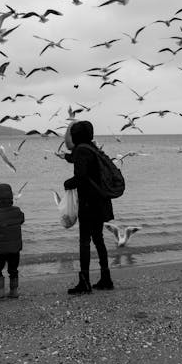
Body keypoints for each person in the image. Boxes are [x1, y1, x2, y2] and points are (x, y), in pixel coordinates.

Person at [63, 120, 114, 294]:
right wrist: (66, 157)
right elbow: (82, 162)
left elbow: (81, 177)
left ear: (75, 136)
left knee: (84, 241)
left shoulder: (81, 150)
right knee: (98, 239)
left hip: (88, 203)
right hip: (100, 201)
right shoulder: (92, 148)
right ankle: (106, 278)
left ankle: (84, 282)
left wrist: (67, 183)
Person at [0, 183, 25, 301]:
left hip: (1, 250)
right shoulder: (17, 211)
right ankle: (14, 291)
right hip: (15, 248)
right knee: (13, 269)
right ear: (11, 198)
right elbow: (22, 219)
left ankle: (0, 291)